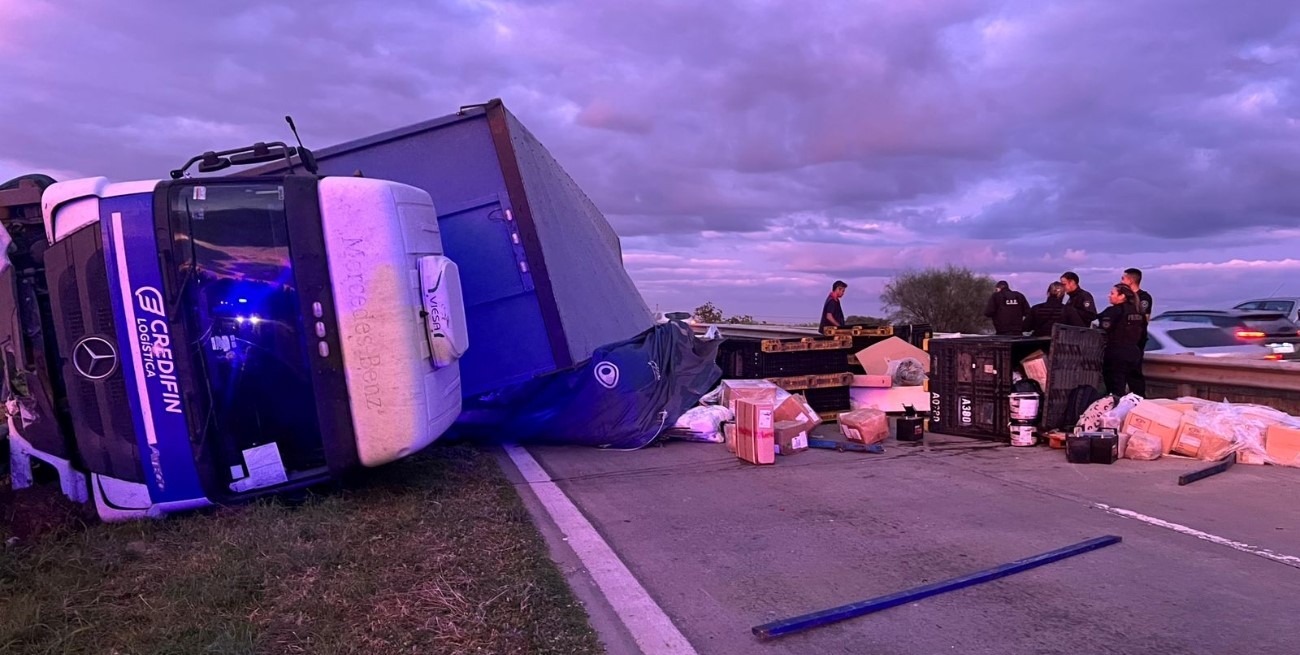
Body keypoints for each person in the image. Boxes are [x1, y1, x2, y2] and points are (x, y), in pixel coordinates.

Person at [1098, 284, 1147, 396]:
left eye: (1112, 293)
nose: (1109, 296)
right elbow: (1143, 334)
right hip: (1134, 352)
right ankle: (1140, 410)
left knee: (1116, 389)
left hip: (1116, 353)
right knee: (1137, 388)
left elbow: (1102, 332)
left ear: (1122, 296)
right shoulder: (1138, 312)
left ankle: (1117, 411)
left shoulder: (1113, 311)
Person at [1122, 267, 1153, 394]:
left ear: (1130, 280)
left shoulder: (1144, 298)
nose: (1121, 281)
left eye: (1123, 278)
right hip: (1124, 340)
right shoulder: (1125, 297)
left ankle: (1139, 399)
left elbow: (1144, 319)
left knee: (1134, 372)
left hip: (1137, 340)